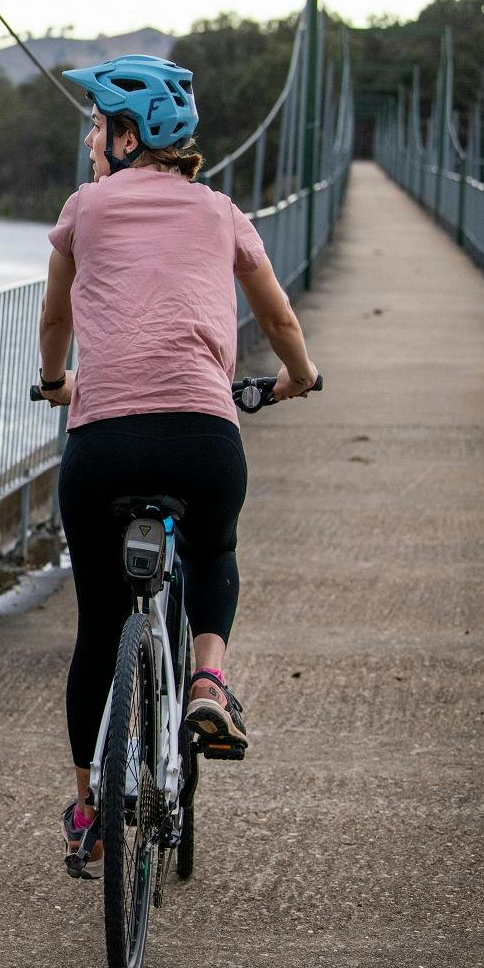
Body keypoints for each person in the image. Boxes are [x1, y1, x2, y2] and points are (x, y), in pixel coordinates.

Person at [35, 55, 318, 878]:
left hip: (103, 444)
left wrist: (58, 384)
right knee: (211, 549)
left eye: (96, 125)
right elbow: (279, 318)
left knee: (97, 629)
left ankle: (88, 809)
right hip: (204, 437)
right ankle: (205, 679)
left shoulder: (82, 211)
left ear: (126, 137)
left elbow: (55, 317)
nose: (90, 138)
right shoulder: (221, 211)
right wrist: (296, 379)